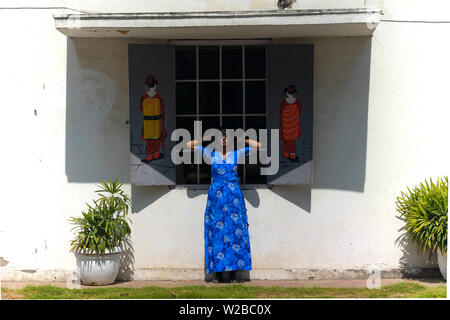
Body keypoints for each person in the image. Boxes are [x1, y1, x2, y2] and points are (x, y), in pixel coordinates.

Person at [187, 128, 261, 283]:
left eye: (227, 137)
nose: (224, 139)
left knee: (235, 232)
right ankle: (218, 273)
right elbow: (189, 144)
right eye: (220, 137)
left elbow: (258, 146)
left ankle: (234, 273)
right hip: (216, 198)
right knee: (217, 231)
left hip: (233, 197)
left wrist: (242, 139)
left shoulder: (237, 154)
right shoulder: (210, 154)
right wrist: (206, 137)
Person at [139, 75, 168, 163]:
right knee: (157, 138)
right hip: (157, 122)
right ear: (155, 85)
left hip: (147, 122)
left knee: (149, 139)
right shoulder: (158, 97)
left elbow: (141, 108)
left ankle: (150, 156)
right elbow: (163, 109)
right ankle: (155, 154)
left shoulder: (144, 97)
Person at [279, 84, 302, 162]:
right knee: (293, 141)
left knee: (285, 141)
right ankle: (292, 155)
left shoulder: (283, 103)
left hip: (285, 126)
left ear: (287, 93)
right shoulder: (297, 103)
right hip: (294, 126)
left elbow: (280, 113)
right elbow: (300, 112)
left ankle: (286, 154)